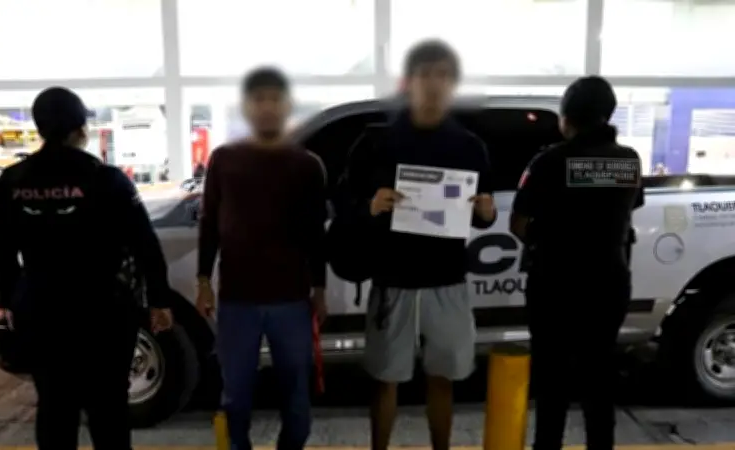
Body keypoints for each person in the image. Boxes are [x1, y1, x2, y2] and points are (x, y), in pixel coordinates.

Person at [0, 86, 174, 450]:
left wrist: (13, 305)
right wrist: (159, 301)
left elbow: (2, 258)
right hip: (102, 312)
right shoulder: (107, 179)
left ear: (39, 127)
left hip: (41, 312)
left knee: (55, 407)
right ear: (81, 128)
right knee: (108, 409)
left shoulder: (10, 183)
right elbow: (145, 245)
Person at [338, 40, 496, 450]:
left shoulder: (469, 147)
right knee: (385, 379)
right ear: (409, 82)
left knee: (443, 378)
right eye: (425, 74)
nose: (433, 83)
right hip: (393, 280)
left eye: (442, 75)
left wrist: (486, 213)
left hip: (447, 279)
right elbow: (344, 202)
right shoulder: (376, 143)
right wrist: (370, 205)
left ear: (453, 83)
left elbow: (483, 212)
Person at [195, 67, 328, 450]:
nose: (267, 107)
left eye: (275, 99)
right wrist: (203, 281)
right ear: (247, 107)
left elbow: (315, 235)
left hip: (292, 300)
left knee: (296, 396)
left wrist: (320, 290)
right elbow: (209, 223)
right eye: (259, 99)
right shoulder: (224, 160)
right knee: (235, 394)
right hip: (238, 301)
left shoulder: (307, 165)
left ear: (287, 106)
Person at [509, 76, 645, 450]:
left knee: (552, 383)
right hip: (609, 284)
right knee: (598, 381)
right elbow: (629, 207)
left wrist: (545, 239)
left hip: (555, 285)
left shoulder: (548, 161)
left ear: (566, 117)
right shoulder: (628, 160)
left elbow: (518, 223)